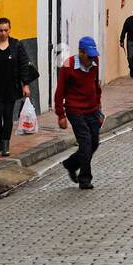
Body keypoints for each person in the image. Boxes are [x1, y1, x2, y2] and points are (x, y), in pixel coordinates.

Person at [0, 17, 37, 157]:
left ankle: (5, 145)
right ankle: (0, 136)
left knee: (8, 116)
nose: (3, 33)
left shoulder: (16, 46)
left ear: (9, 30)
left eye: (5, 30)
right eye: (0, 30)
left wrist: (26, 84)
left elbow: (23, 65)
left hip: (12, 87)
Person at [57, 36, 105, 190]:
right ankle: (85, 179)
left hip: (92, 110)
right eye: (89, 56)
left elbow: (96, 86)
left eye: (93, 56)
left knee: (94, 143)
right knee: (85, 143)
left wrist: (99, 107)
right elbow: (59, 92)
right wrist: (61, 115)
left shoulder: (94, 63)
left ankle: (71, 164)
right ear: (81, 53)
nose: (91, 59)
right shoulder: (68, 66)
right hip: (75, 110)